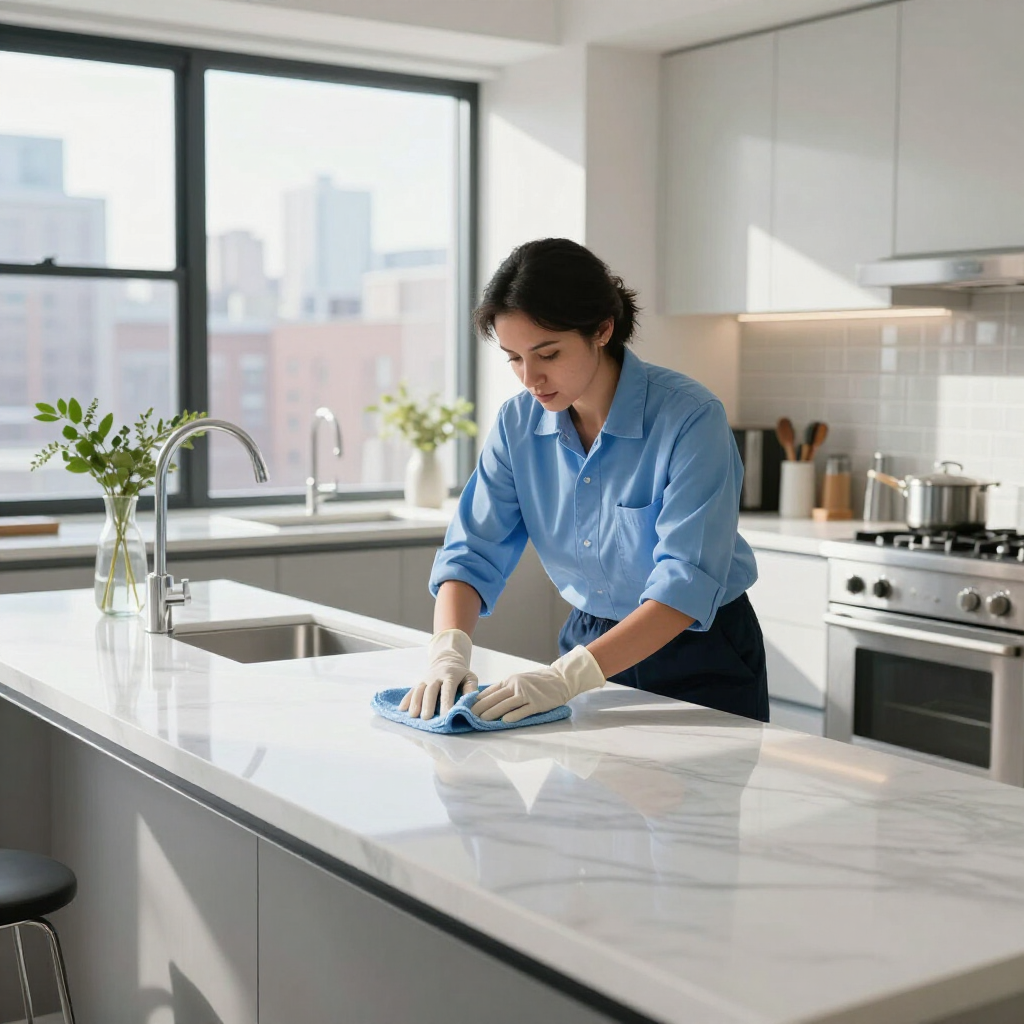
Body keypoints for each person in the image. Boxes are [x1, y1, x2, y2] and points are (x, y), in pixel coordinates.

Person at [399, 238, 767, 725]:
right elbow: (471, 554)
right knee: (581, 803)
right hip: (588, 643)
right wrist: (447, 652)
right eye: (513, 358)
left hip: (698, 651)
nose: (530, 377)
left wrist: (565, 678)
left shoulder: (690, 418)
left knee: (698, 800)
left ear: (602, 329)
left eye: (547, 354)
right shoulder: (518, 425)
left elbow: (686, 583)